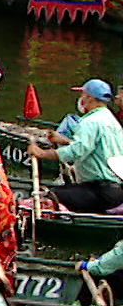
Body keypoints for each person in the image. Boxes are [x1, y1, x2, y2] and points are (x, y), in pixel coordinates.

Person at [30, 79, 123, 213]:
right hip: (116, 190)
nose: (81, 99)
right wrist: (64, 141)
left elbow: (74, 152)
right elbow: (94, 148)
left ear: (89, 98)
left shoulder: (91, 122)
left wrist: (41, 153)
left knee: (51, 196)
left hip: (101, 191)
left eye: (82, 95)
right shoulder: (110, 119)